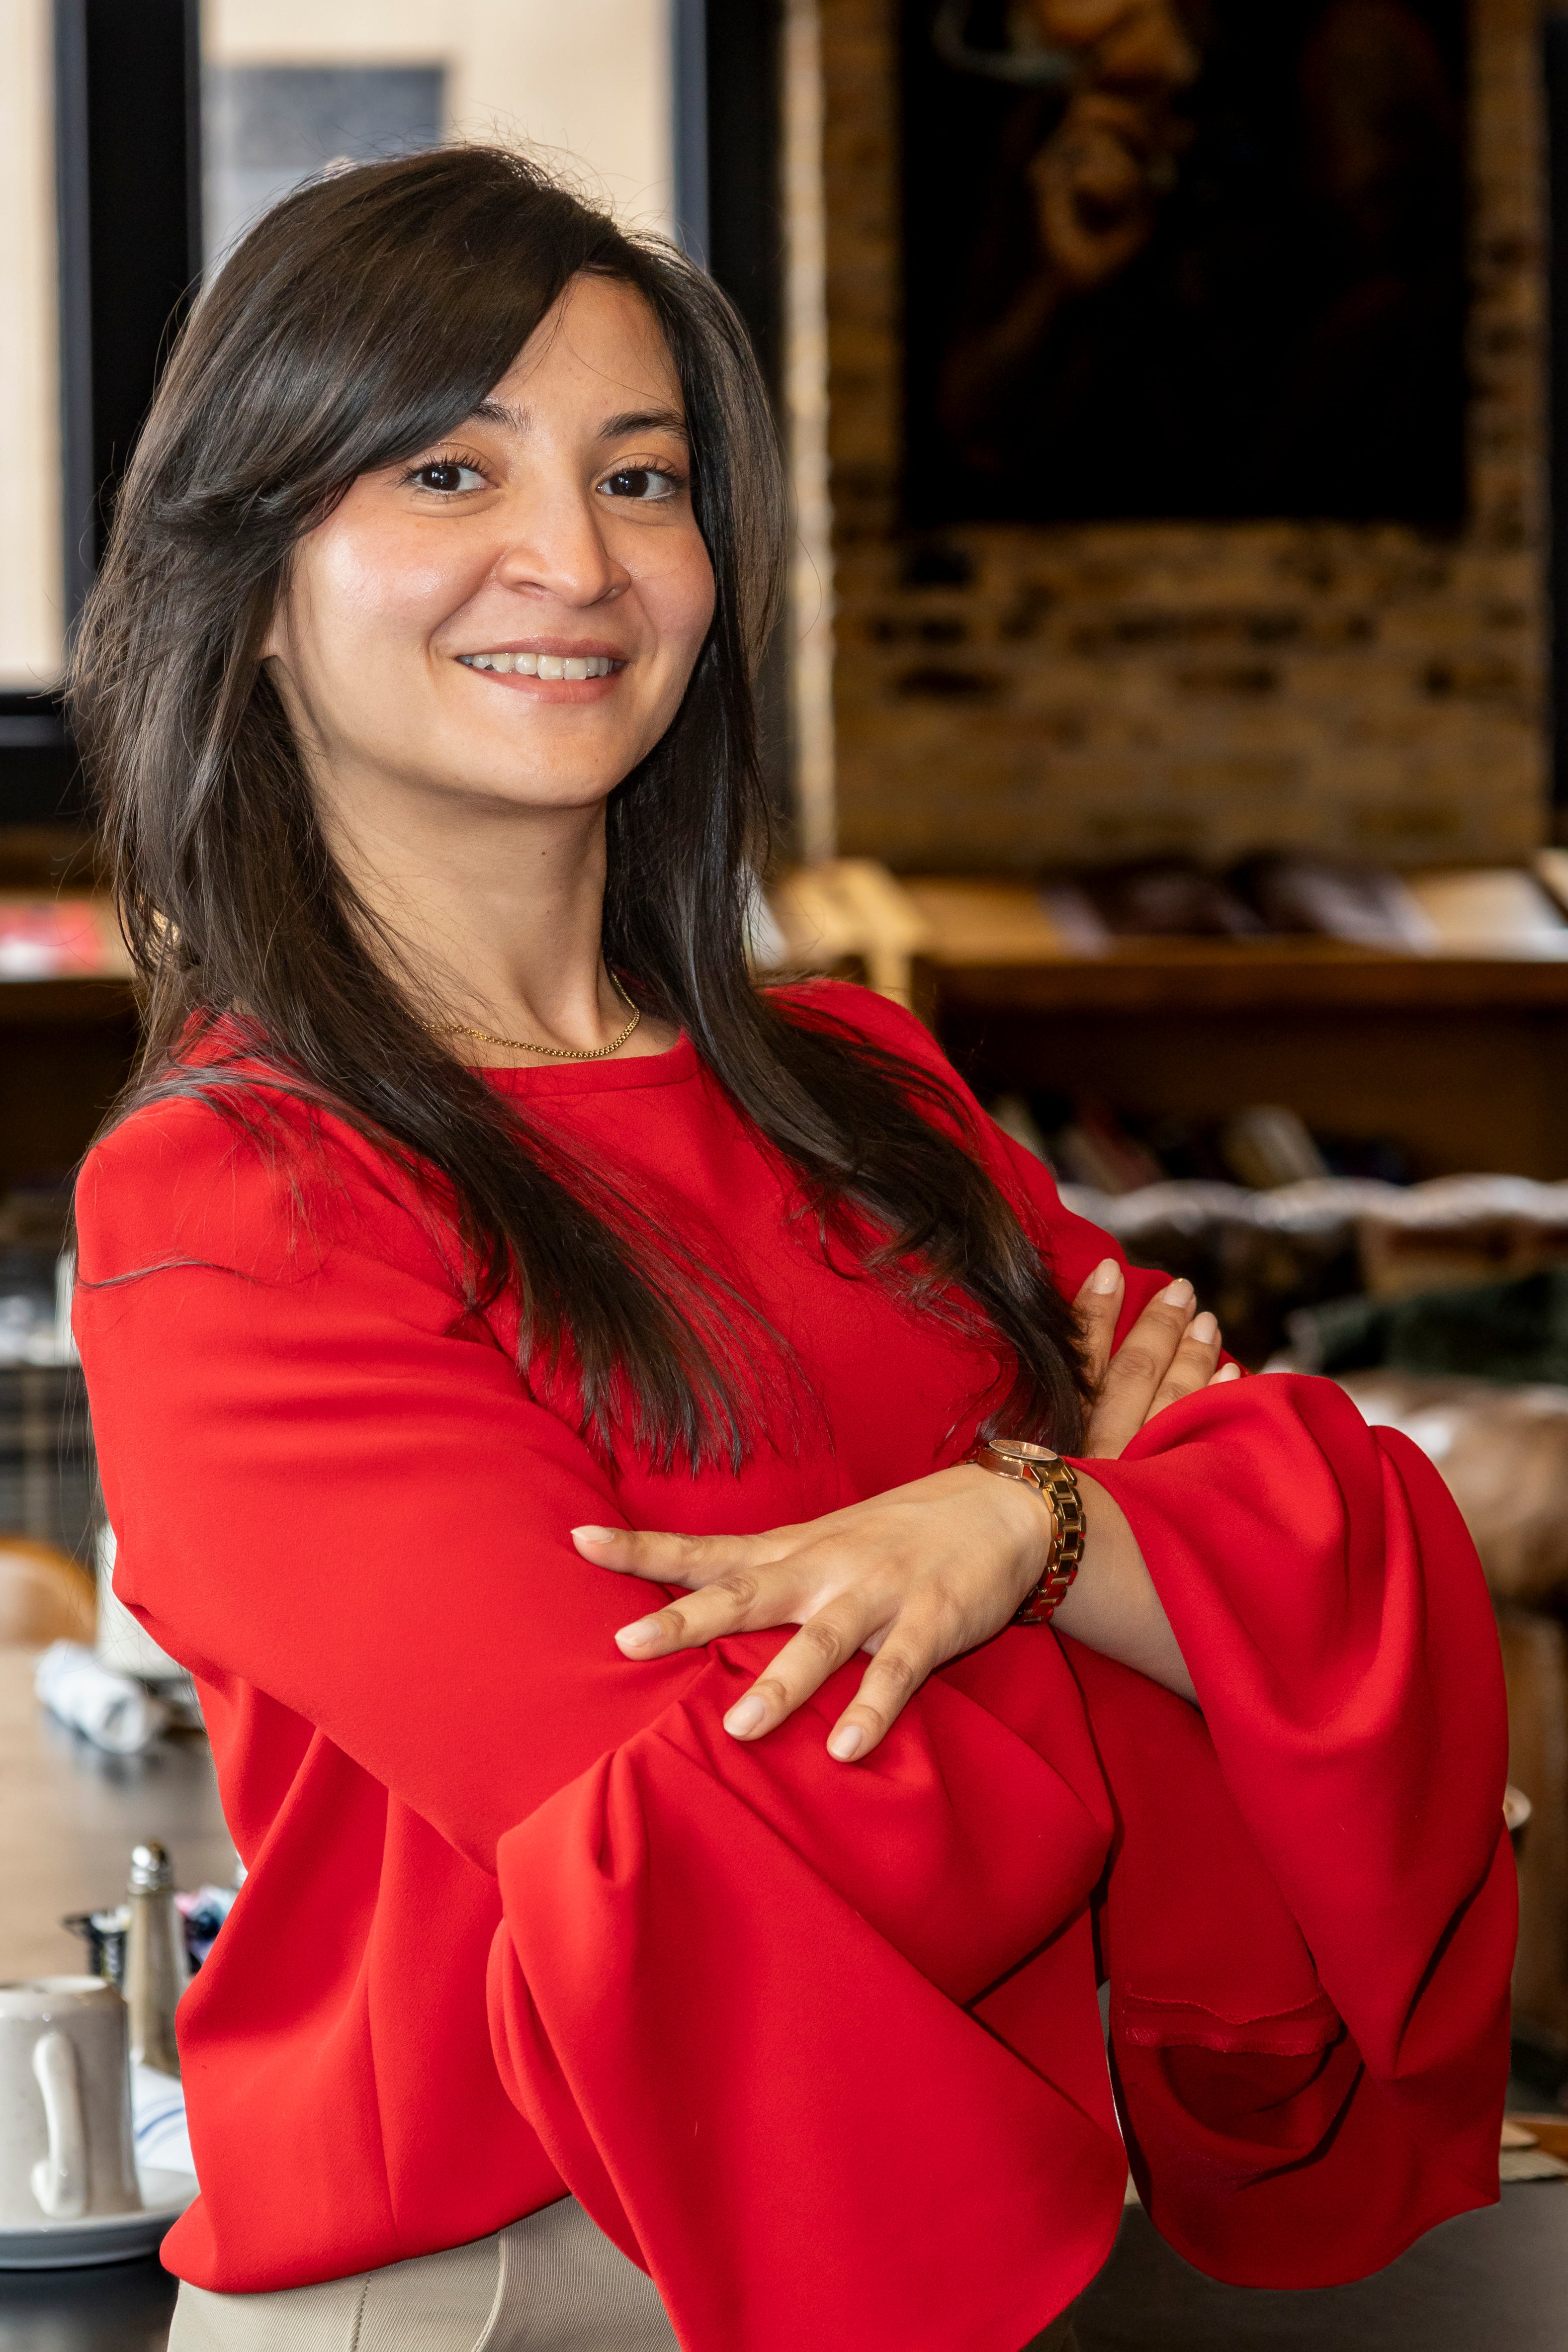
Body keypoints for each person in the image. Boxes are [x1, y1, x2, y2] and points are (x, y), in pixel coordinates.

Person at [69, 147, 1510, 2352]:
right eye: (450, 469)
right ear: (252, 579)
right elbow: (708, 1849)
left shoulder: (867, 1086)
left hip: (1038, 2239)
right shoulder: (237, 1203)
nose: (576, 561)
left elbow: (1371, 1553)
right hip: (512, 2287)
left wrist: (1005, 1534)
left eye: (642, 478)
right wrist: (1127, 1551)